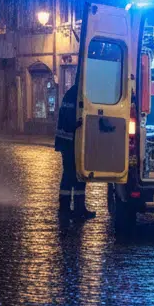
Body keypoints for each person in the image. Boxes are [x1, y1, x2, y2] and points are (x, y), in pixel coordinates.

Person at [54, 82, 94, 219]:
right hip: (69, 143)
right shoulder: (74, 95)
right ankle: (68, 208)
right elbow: (69, 121)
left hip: (69, 143)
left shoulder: (72, 93)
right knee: (71, 175)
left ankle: (76, 208)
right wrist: (78, 124)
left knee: (76, 175)